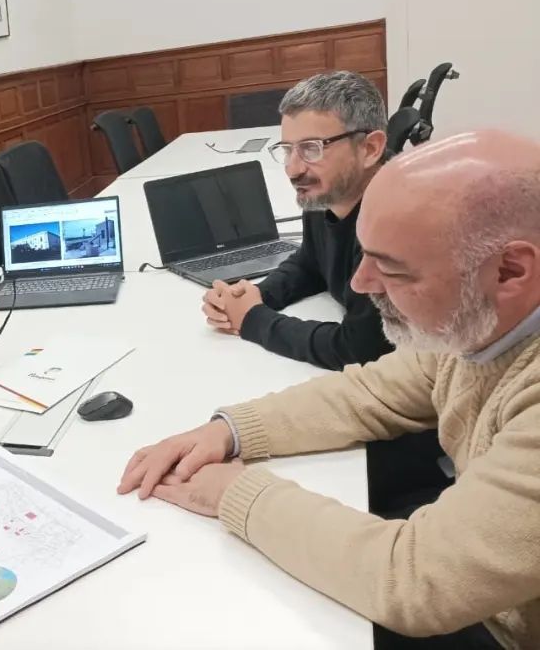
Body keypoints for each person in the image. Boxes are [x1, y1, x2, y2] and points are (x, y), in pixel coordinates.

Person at [119, 131, 540, 648]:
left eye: (390, 266)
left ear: (511, 270)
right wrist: (229, 431)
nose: (361, 283)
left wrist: (234, 492)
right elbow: (375, 391)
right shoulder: (479, 320)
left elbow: (417, 582)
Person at [202, 71, 393, 371]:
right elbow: (311, 262)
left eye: (311, 149)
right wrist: (256, 295)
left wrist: (253, 319)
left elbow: (360, 348)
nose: (292, 170)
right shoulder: (325, 193)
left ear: (370, 148)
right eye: (288, 150)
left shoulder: (395, 223)